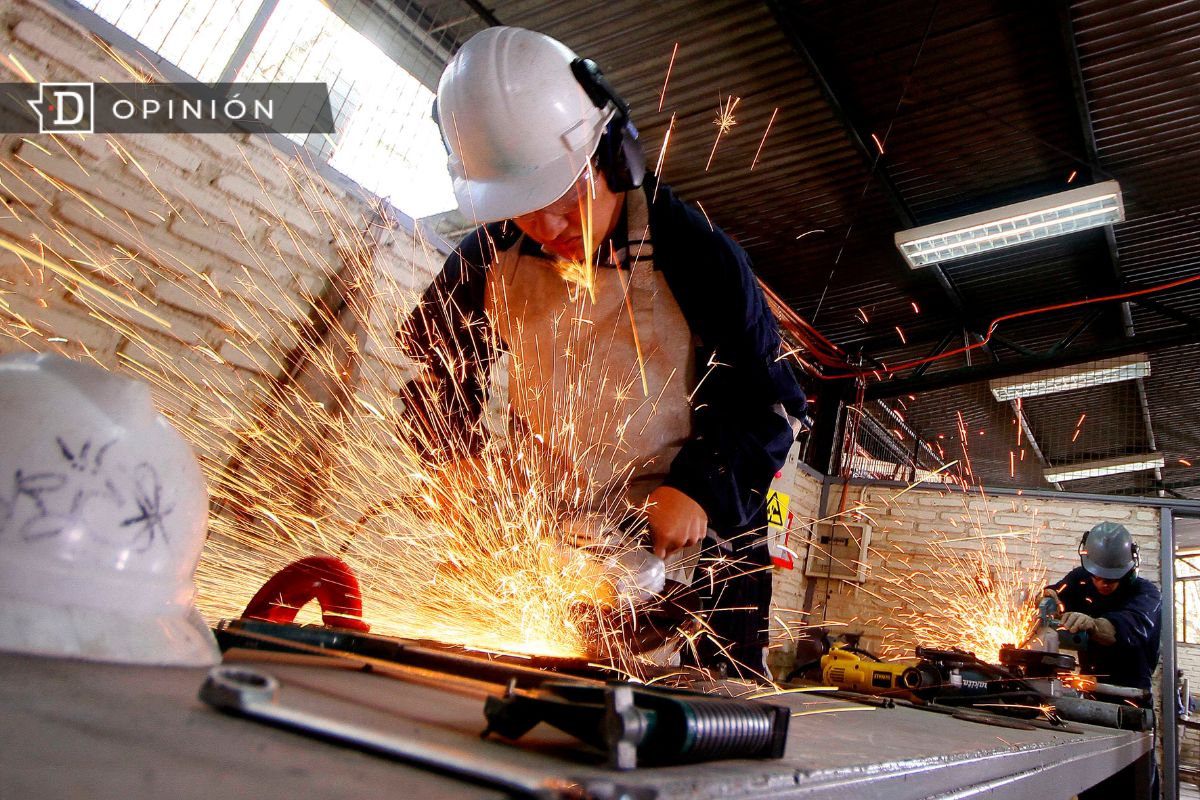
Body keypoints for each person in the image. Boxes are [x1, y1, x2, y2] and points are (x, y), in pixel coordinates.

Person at [401, 26, 806, 675]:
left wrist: (699, 488)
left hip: (696, 545)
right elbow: (435, 367)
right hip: (559, 533)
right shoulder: (492, 253)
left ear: (613, 156)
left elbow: (771, 406)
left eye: (565, 201)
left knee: (705, 720)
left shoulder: (697, 253)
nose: (549, 228)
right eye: (527, 209)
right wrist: (457, 455)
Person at [1041, 521, 1161, 798]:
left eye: (1111, 578)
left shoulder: (1147, 595)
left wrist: (1093, 625)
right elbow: (1056, 592)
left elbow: (1118, 630)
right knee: (1092, 781)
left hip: (1130, 695)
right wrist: (1047, 597)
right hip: (1090, 690)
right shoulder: (1081, 577)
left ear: (1130, 566)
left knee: (1132, 784)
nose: (1102, 583)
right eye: (1096, 576)